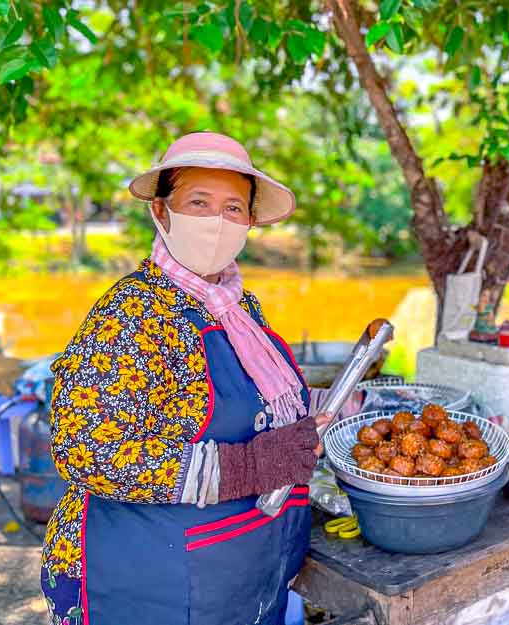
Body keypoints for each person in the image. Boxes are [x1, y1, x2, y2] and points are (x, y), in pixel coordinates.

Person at [41, 132, 333, 625]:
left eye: (233, 208)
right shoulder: (130, 314)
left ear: (249, 222)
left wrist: (332, 410)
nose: (217, 222)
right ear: (161, 211)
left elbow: (259, 402)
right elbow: (85, 450)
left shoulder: (241, 308)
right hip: (141, 579)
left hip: (234, 570)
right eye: (199, 202)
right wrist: (245, 467)